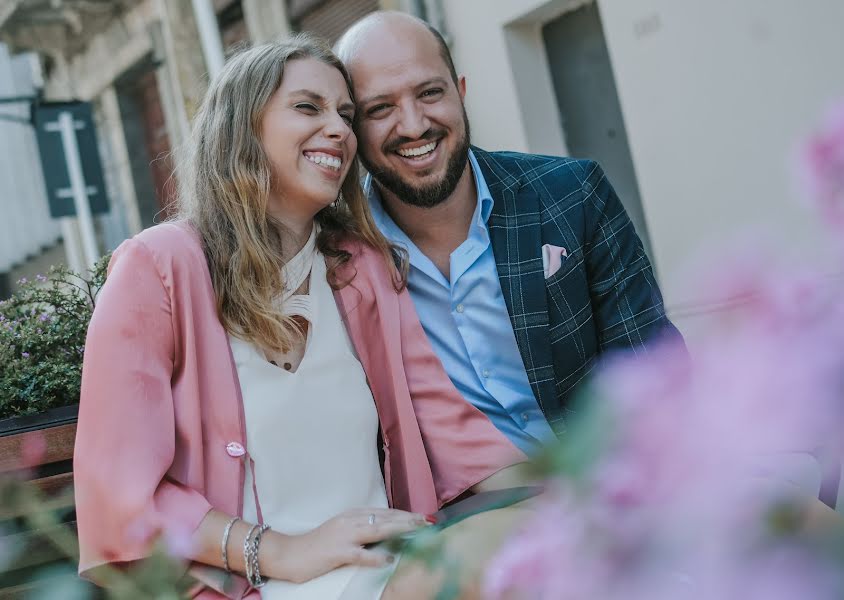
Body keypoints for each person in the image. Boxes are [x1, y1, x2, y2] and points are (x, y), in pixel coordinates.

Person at [73, 35, 525, 600]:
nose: (339, 129)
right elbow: (117, 494)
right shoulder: (161, 268)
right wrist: (279, 552)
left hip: (392, 574)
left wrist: (565, 499)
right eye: (308, 108)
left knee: (540, 537)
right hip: (258, 587)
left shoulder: (361, 270)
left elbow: (455, 435)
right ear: (243, 127)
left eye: (345, 114)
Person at [336, 12, 685, 455]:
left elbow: (655, 368)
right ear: (352, 128)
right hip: (471, 514)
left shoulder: (572, 196)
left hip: (613, 479)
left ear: (460, 92)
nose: (413, 124)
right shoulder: (339, 261)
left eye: (429, 93)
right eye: (380, 108)